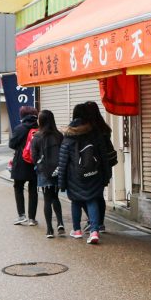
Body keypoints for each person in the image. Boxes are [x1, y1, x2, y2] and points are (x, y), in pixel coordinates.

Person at [53, 101, 117, 244]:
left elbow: (63, 162)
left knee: (76, 201)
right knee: (93, 199)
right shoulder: (96, 133)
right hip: (95, 173)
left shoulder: (68, 137)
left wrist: (61, 183)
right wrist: (106, 175)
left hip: (74, 176)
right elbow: (103, 157)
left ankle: (77, 230)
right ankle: (95, 229)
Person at [30, 109, 65, 239]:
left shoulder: (37, 136)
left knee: (47, 199)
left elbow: (33, 156)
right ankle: (60, 223)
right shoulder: (59, 135)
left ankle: (50, 229)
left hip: (44, 171)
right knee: (55, 197)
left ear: (41, 121)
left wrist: (39, 165)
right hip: (57, 170)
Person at [7, 106, 39, 226]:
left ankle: (21, 216)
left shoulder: (20, 128)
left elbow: (12, 144)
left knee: (18, 187)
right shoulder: (39, 127)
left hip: (21, 162)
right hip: (35, 163)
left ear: (22, 115)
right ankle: (32, 218)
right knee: (33, 190)